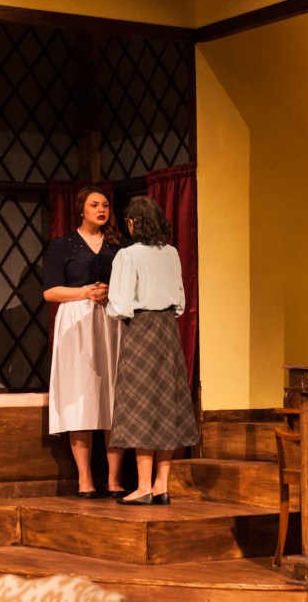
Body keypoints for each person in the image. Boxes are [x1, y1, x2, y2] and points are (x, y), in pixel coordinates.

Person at [105, 196, 199, 505]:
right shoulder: (171, 253)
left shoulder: (128, 255)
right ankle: (162, 485)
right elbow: (180, 300)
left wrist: (111, 307)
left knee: (141, 403)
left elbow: (120, 304)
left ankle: (144, 486)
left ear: (132, 223)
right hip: (168, 330)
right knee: (166, 402)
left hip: (142, 328)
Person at [42, 186, 127, 499]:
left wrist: (110, 293)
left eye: (105, 205)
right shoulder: (62, 245)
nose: (101, 210)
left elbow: (130, 284)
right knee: (81, 396)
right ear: (81, 209)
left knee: (113, 396)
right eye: (94, 205)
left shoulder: (119, 246)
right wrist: (85, 292)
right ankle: (85, 479)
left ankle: (115, 479)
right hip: (76, 321)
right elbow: (50, 292)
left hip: (111, 319)